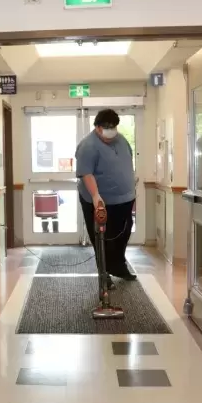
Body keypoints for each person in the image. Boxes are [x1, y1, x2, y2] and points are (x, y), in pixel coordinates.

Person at [76, 108, 136, 282]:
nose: (112, 130)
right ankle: (104, 274)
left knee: (123, 233)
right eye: (108, 126)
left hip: (124, 199)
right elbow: (87, 174)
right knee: (102, 238)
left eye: (114, 126)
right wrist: (96, 196)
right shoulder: (88, 145)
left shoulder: (121, 140)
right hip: (100, 202)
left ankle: (118, 265)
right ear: (98, 127)